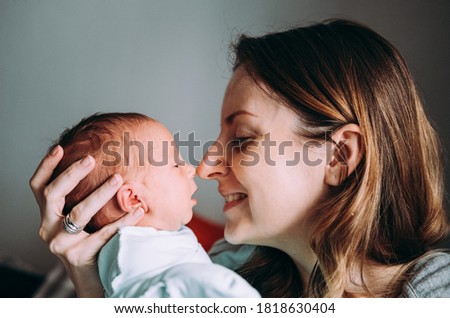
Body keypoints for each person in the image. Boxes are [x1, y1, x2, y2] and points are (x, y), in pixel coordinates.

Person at [30, 19, 450, 297]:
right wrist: (89, 277)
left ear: (340, 156)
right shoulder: (217, 274)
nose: (205, 165)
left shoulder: (435, 292)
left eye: (243, 138)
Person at [45, 112, 260, 297]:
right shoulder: (136, 254)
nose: (193, 169)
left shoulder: (150, 248)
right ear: (134, 199)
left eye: (243, 139)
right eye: (176, 164)